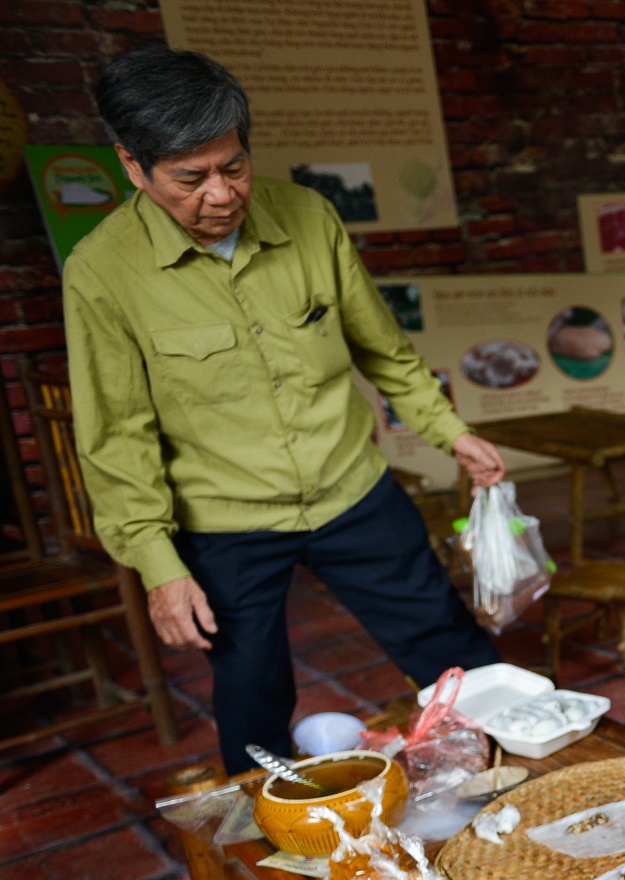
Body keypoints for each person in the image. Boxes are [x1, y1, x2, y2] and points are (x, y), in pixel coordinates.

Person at [65, 47, 504, 775]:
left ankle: (517, 793)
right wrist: (157, 565)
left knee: (450, 647)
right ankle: (266, 849)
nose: (221, 194)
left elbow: (383, 349)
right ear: (134, 168)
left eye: (232, 166)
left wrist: (450, 432)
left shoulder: (307, 217)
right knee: (252, 693)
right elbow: (117, 435)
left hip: (350, 486)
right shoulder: (102, 272)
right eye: (190, 177)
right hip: (225, 517)